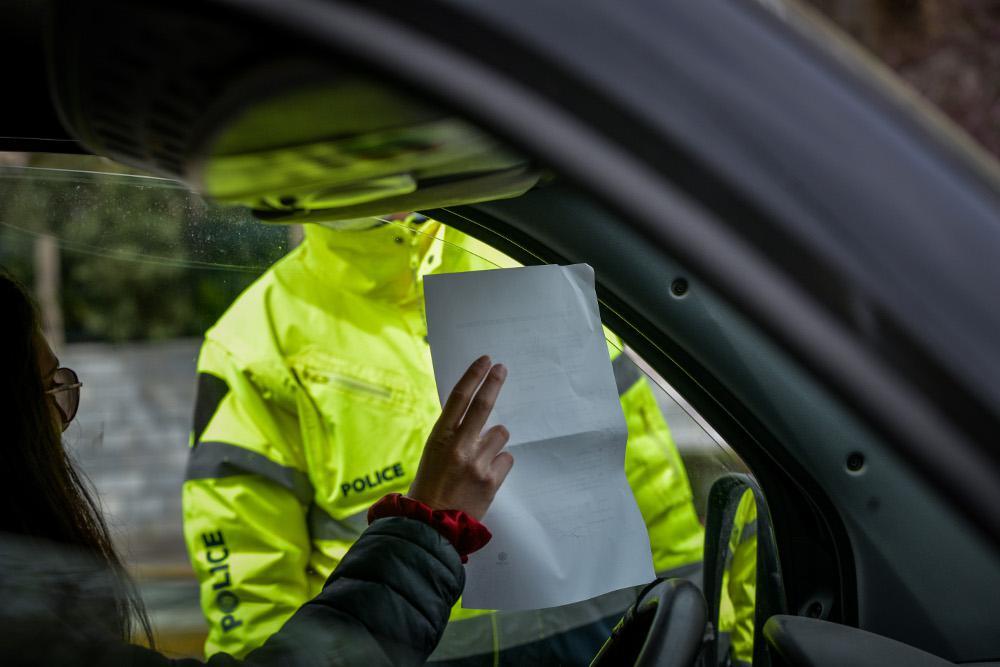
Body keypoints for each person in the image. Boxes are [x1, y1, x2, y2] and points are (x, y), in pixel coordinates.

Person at [182, 214, 705, 663]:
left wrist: (712, 635)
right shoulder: (253, 341)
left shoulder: (535, 270)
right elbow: (254, 595)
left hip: (603, 649)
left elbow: (654, 499)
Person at [0, 271, 513, 666]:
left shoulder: (490, 261)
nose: (63, 426)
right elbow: (252, 593)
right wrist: (428, 526)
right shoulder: (256, 337)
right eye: (51, 393)